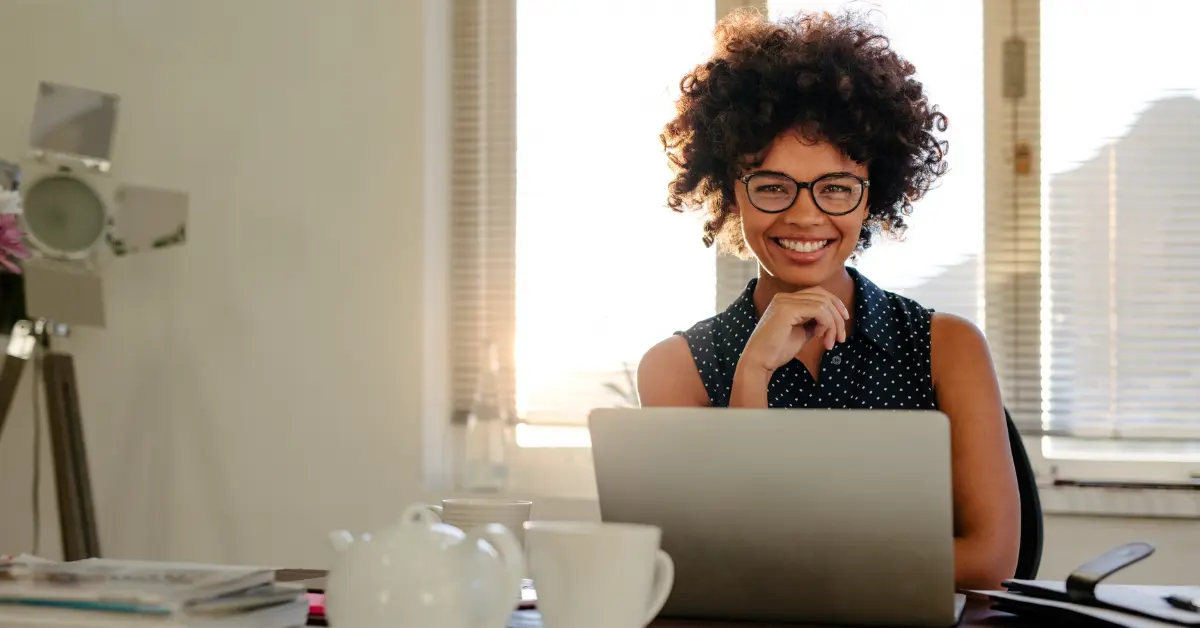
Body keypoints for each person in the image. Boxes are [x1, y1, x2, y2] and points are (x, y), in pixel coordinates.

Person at [638, 8, 1020, 590]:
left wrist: (800, 567)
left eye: (836, 187)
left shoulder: (949, 348)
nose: (805, 214)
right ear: (731, 194)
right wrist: (753, 375)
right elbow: (709, 556)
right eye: (772, 186)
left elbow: (990, 559)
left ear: (873, 196)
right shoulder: (675, 369)